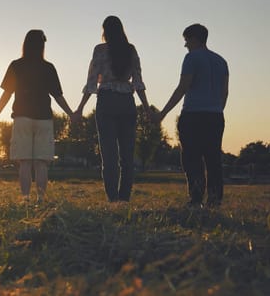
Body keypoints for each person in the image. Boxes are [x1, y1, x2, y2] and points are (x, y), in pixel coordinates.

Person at [0, 30, 74, 203]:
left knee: (25, 162)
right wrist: (71, 114)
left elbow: (6, 94)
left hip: (22, 118)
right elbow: (58, 96)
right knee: (41, 163)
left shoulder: (16, 65)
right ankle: (41, 198)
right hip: (44, 119)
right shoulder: (48, 67)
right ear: (42, 46)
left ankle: (25, 199)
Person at [73, 16, 150, 203]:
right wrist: (147, 109)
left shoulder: (100, 50)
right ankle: (124, 199)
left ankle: (113, 200)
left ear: (105, 31)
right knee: (127, 156)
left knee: (109, 155)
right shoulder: (130, 50)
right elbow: (138, 83)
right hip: (127, 103)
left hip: (106, 101)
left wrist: (80, 108)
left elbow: (92, 82)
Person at [153, 24, 229, 208]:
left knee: (192, 157)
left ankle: (196, 198)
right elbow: (224, 92)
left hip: (193, 115)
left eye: (186, 40)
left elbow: (183, 87)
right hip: (215, 115)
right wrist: (217, 109)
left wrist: (163, 113)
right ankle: (214, 198)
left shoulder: (191, 58)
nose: (185, 45)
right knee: (213, 158)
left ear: (194, 39)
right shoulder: (221, 61)